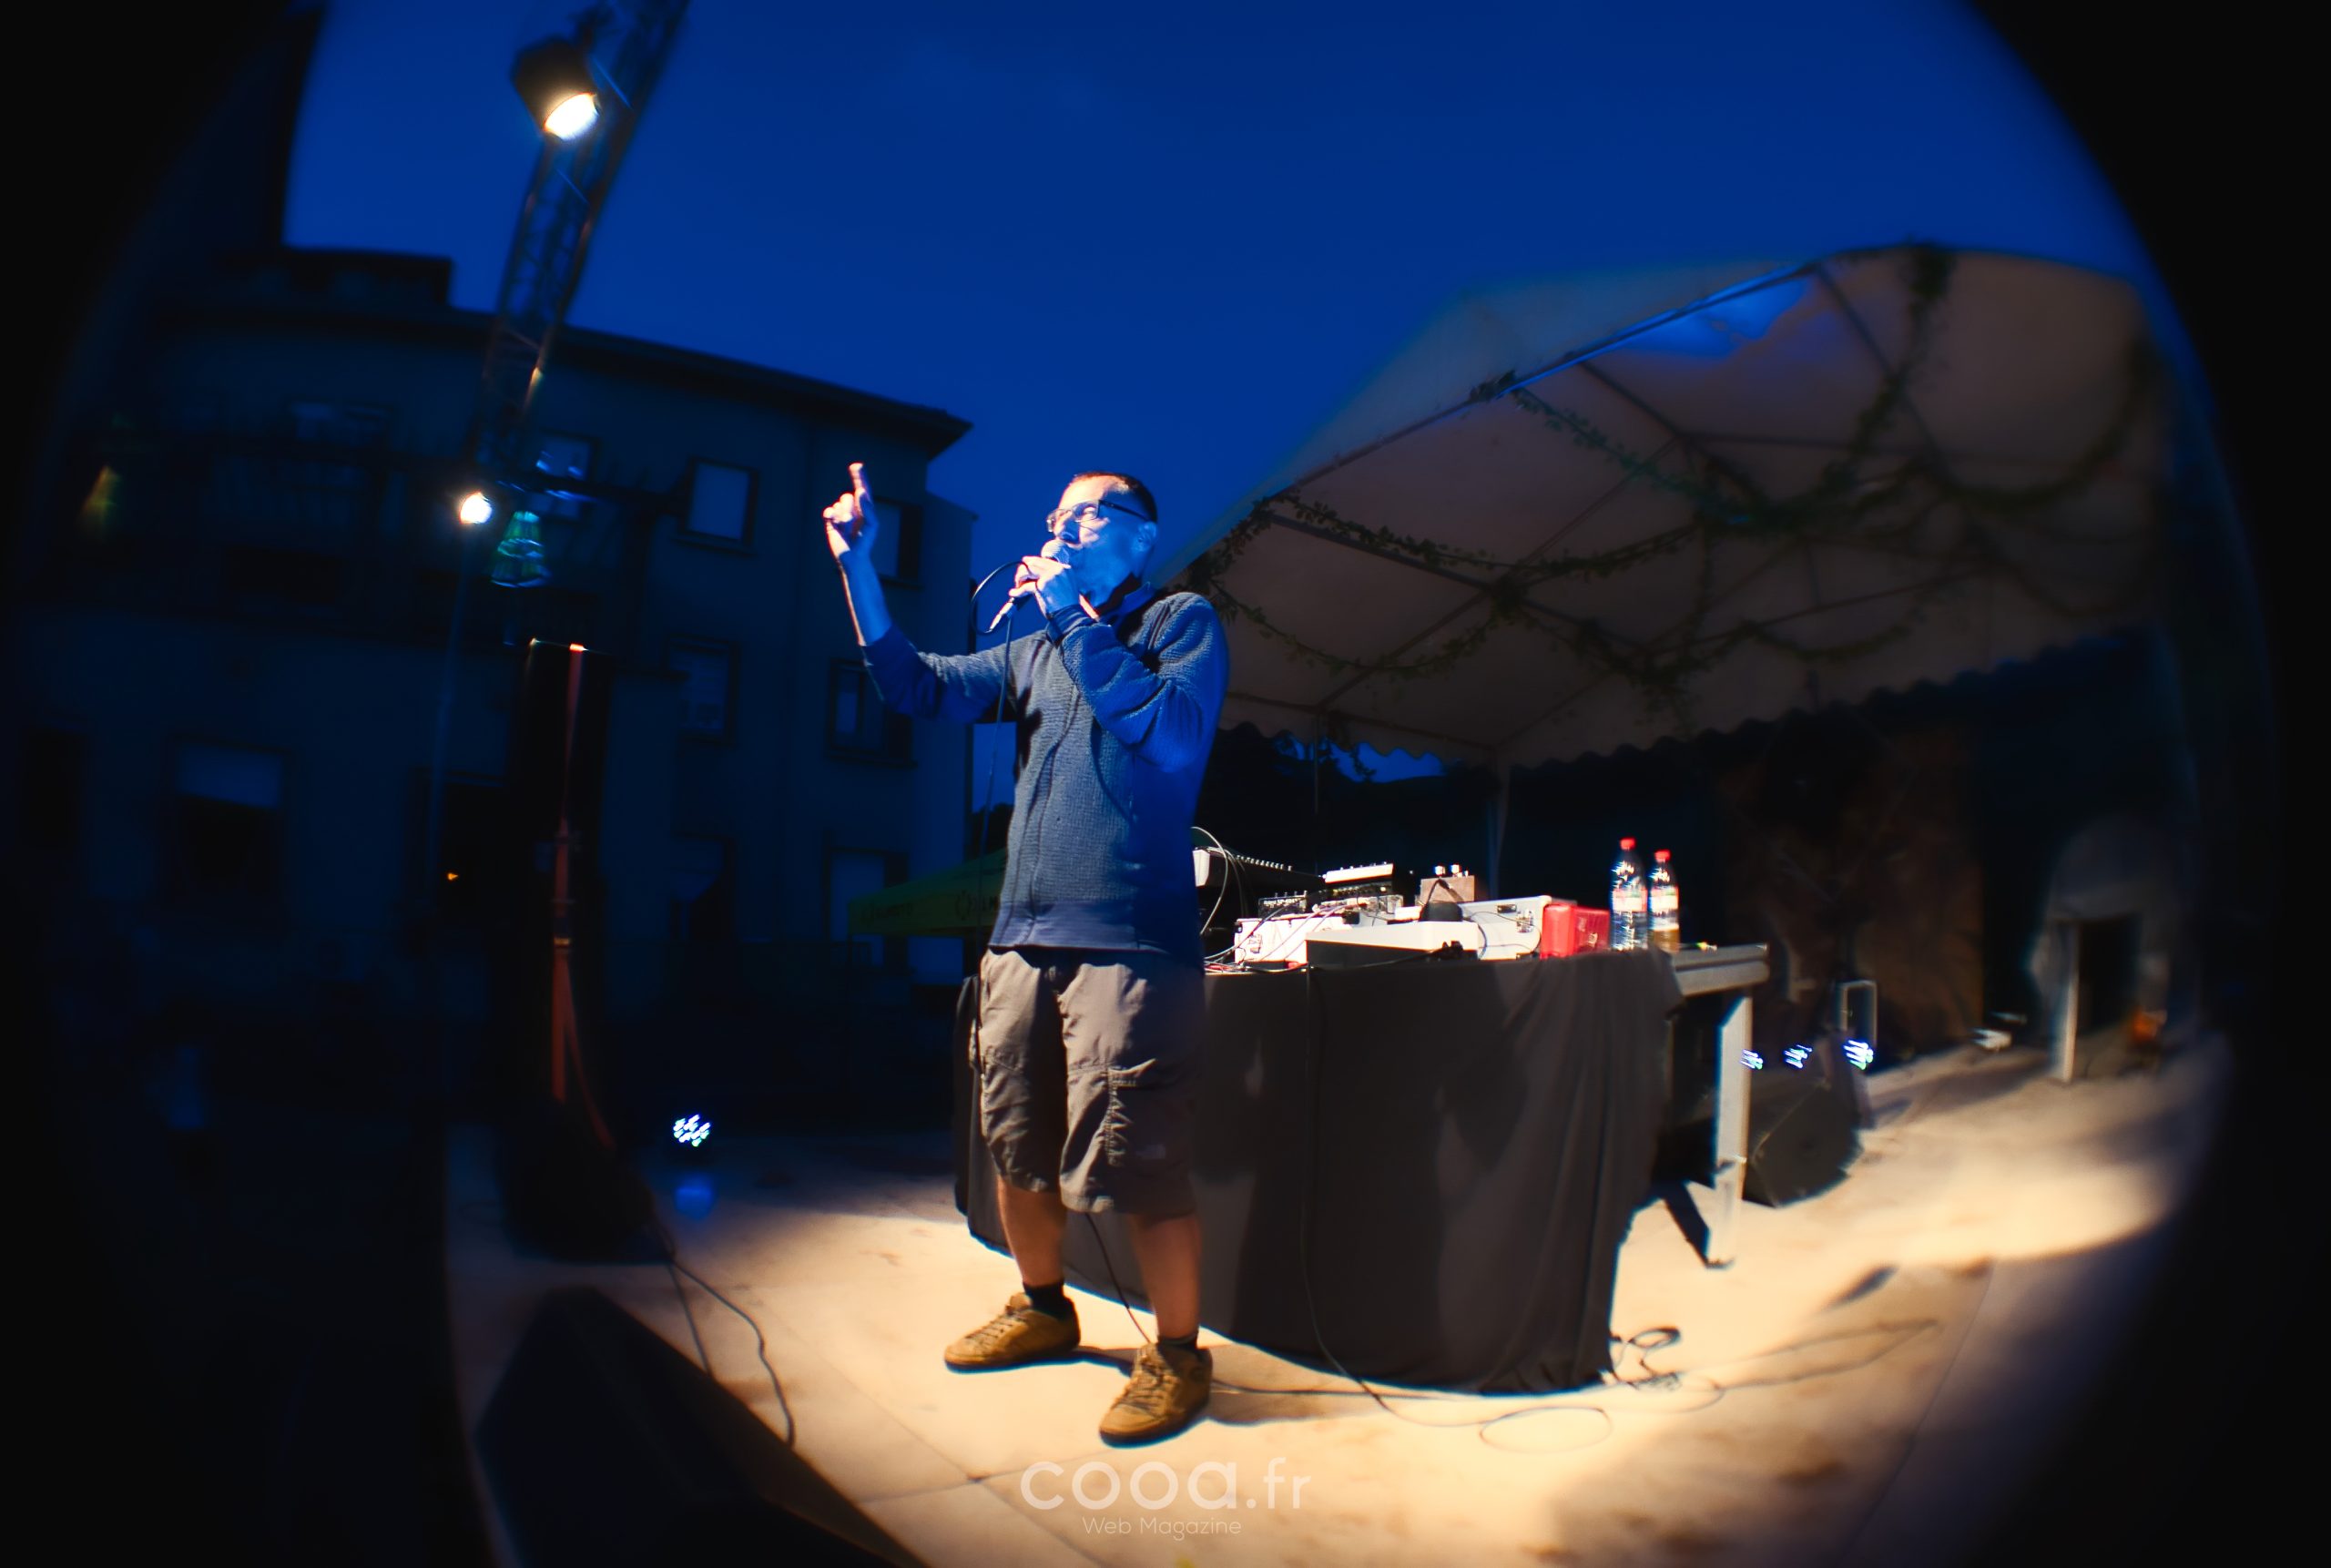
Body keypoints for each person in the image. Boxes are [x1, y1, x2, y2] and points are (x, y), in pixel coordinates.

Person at [822, 462, 1227, 1445]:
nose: (1061, 527)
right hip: (1019, 938)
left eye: (1085, 514)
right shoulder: (1036, 649)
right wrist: (859, 569)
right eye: (1056, 515)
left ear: (1140, 534)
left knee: (1139, 1155)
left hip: (1130, 942)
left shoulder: (1178, 622)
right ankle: (1043, 1308)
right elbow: (915, 684)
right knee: (1015, 1139)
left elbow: (1169, 736)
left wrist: (1075, 621)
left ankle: (1178, 1356)